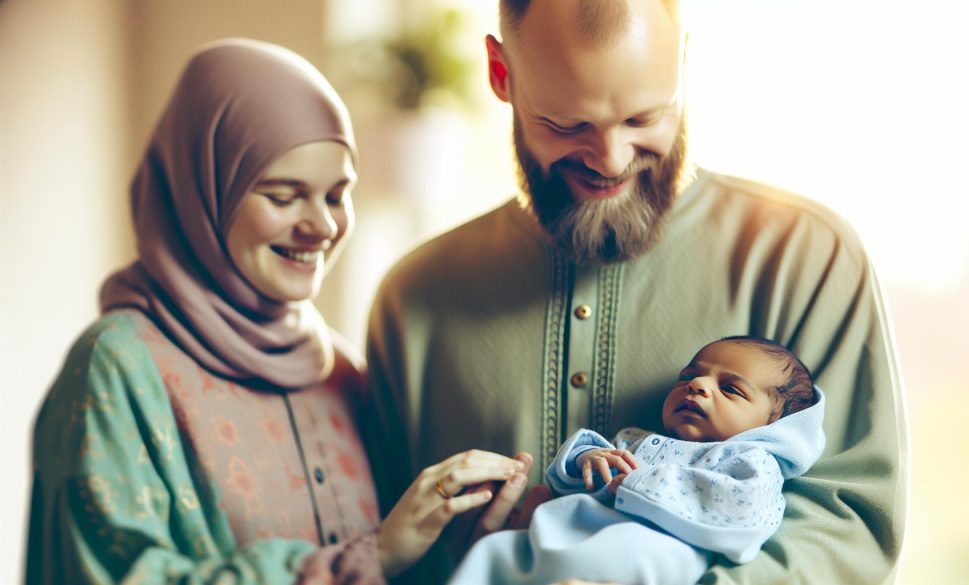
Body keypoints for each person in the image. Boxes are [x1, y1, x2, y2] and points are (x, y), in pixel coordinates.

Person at [364, 0, 907, 583]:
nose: (611, 161)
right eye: (567, 124)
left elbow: (846, 531)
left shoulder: (806, 257)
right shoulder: (414, 298)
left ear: (683, 62)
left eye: (644, 118)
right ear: (501, 75)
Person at [25, 38, 533, 584]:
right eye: (285, 195)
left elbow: (393, 559)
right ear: (205, 194)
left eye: (337, 195)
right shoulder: (117, 367)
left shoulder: (338, 371)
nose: (322, 226)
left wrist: (469, 537)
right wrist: (369, 558)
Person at [448, 336, 826, 584]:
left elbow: (742, 514)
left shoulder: (749, 459)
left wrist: (638, 482)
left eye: (730, 389)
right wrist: (588, 457)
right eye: (689, 377)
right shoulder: (635, 439)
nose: (698, 386)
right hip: (557, 537)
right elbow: (565, 482)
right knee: (492, 551)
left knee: (642, 552)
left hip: (646, 550)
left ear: (773, 425)